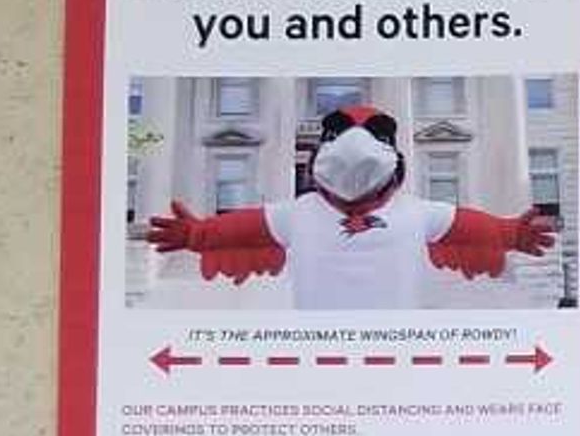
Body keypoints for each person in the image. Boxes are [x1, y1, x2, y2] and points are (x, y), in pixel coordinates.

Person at [144, 102, 552, 309]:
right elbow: (245, 229)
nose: (355, 145)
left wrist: (512, 234)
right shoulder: (300, 212)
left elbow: (471, 229)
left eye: (373, 135)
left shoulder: (415, 212)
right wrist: (198, 235)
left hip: (396, 342)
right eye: (341, 134)